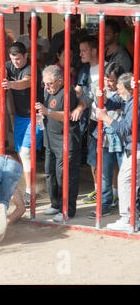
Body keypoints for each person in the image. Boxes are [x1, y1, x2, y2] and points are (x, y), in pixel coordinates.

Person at [0, 41, 44, 206]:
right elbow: (0, 74)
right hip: (20, 117)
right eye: (13, 59)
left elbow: (26, 82)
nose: (15, 62)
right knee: (22, 155)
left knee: (25, 153)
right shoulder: (9, 65)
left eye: (18, 59)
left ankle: (30, 192)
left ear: (25, 56)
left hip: (35, 116)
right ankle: (32, 188)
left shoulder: (31, 67)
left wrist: (10, 84)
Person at [35, 65, 81, 222]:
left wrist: (47, 111)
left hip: (65, 141)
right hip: (50, 140)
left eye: (50, 83)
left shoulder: (67, 93)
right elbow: (48, 112)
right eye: (44, 84)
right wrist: (41, 116)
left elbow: (67, 115)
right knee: (50, 174)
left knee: (65, 177)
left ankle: (66, 209)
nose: (46, 87)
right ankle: (55, 204)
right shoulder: (48, 91)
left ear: (60, 81)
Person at [96, 73, 140, 231]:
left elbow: (126, 129)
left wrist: (106, 118)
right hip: (134, 148)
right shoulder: (130, 99)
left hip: (136, 149)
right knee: (132, 183)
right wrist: (103, 98)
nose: (118, 92)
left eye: (120, 89)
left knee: (125, 181)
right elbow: (114, 102)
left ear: (130, 89)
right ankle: (132, 218)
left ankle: (127, 218)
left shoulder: (135, 103)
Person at [85, 62, 125, 218]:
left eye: (112, 80)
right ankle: (104, 205)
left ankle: (129, 208)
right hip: (105, 135)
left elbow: (115, 105)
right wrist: (99, 95)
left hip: (123, 137)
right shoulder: (100, 89)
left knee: (126, 174)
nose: (109, 83)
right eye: (107, 80)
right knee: (104, 172)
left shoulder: (126, 91)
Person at [75, 35, 107, 204]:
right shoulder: (84, 70)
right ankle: (98, 190)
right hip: (93, 120)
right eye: (80, 51)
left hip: (108, 120)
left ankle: (112, 192)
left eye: (84, 50)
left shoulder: (107, 69)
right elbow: (79, 91)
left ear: (94, 51)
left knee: (110, 157)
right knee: (93, 157)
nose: (81, 54)